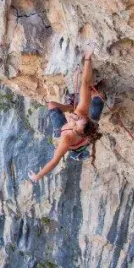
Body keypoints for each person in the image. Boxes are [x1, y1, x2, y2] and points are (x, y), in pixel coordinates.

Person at [28, 44, 104, 182]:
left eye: (76, 120)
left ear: (75, 128)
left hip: (63, 133)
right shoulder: (82, 113)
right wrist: (88, 57)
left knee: (95, 99)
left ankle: (77, 152)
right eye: (79, 117)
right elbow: (85, 83)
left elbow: (54, 161)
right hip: (83, 133)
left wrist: (38, 176)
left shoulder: (66, 140)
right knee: (98, 98)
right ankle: (70, 105)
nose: (76, 117)